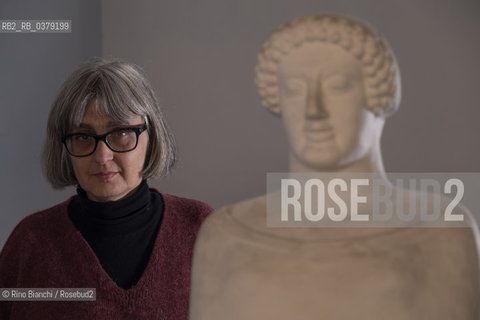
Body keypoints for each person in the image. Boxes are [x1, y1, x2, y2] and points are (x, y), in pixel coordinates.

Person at [190, 14, 480, 319]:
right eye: (295, 89)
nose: (314, 110)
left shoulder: (442, 231)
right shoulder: (225, 235)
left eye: (338, 87)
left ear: (378, 94)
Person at [0, 58, 213, 319]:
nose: (102, 156)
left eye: (121, 133)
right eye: (82, 137)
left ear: (151, 135)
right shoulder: (31, 242)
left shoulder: (202, 229)